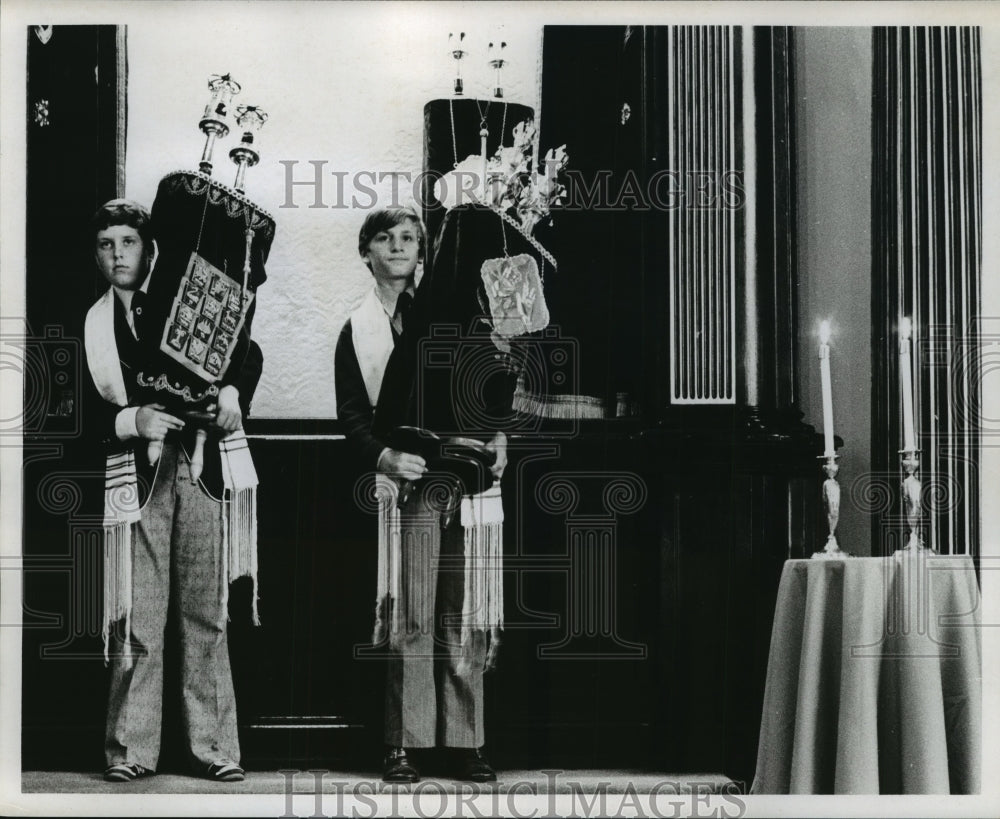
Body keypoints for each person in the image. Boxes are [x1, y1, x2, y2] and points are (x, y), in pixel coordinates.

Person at [82, 199, 262, 783]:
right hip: (133, 476)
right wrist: (134, 420)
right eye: (107, 244)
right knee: (141, 613)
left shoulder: (181, 301)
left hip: (202, 465)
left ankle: (214, 748)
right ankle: (131, 751)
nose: (118, 255)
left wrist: (234, 388)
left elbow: (244, 350)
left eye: (128, 243)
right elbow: (74, 413)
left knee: (206, 610)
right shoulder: (90, 324)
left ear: (149, 248)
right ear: (97, 254)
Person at [335, 206, 506, 783]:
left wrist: (500, 435)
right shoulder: (357, 329)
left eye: (410, 237)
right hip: (409, 484)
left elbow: (487, 388)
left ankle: (464, 741)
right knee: (412, 610)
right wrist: (384, 455)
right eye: (386, 238)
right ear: (367, 252)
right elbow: (354, 417)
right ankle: (404, 742)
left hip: (466, 479)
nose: (400, 246)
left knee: (465, 608)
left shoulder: (459, 313)